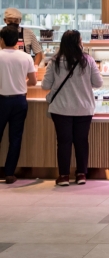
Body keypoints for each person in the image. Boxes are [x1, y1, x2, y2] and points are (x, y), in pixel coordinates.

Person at [42, 30, 103, 187]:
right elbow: (98, 83)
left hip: (61, 108)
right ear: (78, 42)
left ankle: (63, 176)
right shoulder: (87, 60)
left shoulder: (54, 61)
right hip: (83, 108)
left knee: (64, 142)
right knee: (81, 141)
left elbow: (45, 85)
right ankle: (81, 174)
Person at [0, 25, 37, 184]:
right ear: (17, 41)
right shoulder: (26, 57)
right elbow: (34, 82)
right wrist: (21, 83)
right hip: (20, 100)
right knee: (15, 138)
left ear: (1, 40)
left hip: (1, 100)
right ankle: (9, 173)